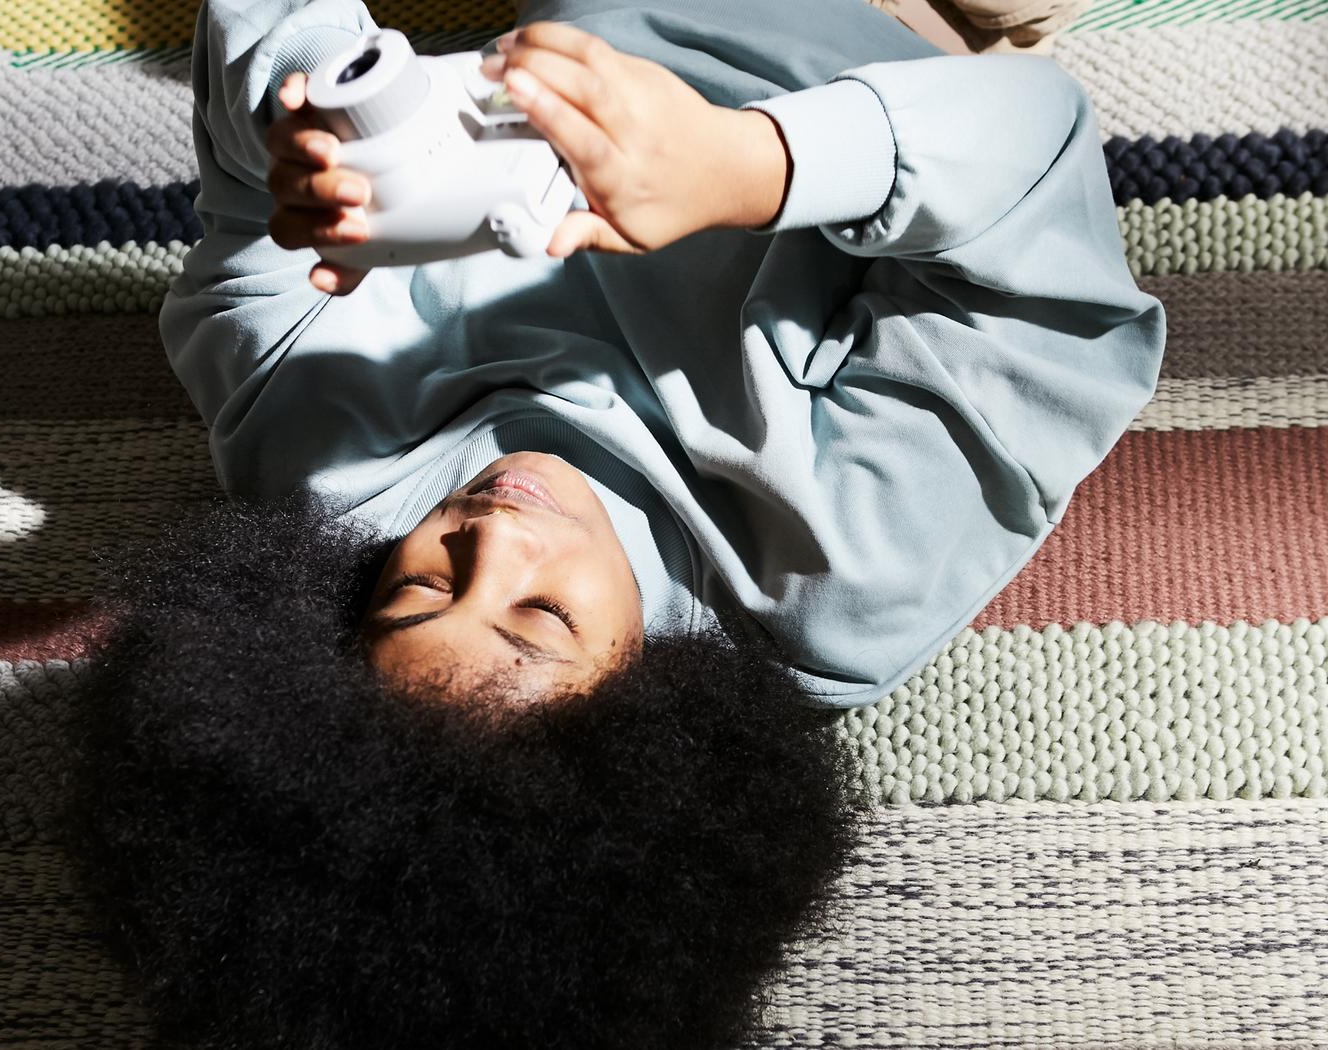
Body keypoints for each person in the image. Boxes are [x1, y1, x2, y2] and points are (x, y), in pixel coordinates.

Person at [63, 1, 1167, 1048]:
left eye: (417, 593)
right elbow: (1037, 152)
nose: (490, 541)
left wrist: (298, 131)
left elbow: (263, 71)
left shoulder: (322, 457)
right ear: (657, 717)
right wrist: (749, 165)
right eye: (540, 620)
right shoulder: (837, 579)